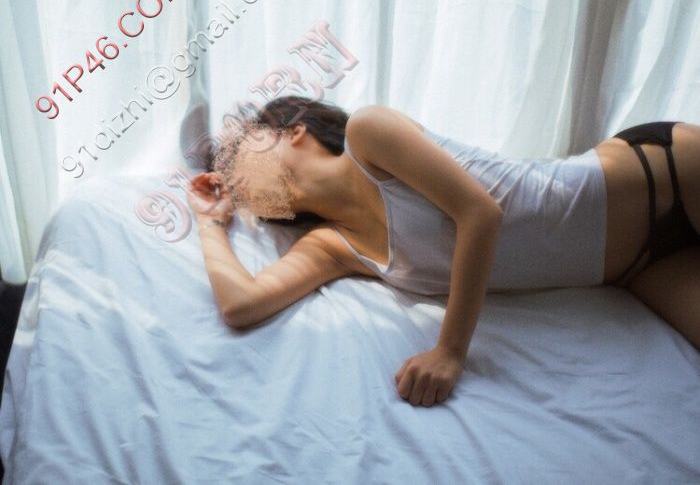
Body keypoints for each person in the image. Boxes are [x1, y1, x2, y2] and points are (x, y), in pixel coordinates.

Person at [186, 95, 700, 408]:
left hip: (661, 174)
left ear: (294, 132)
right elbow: (242, 304)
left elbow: (481, 214)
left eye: (234, 153)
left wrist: (450, 351)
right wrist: (211, 223)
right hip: (637, 268)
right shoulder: (332, 246)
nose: (228, 176)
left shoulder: (370, 134)